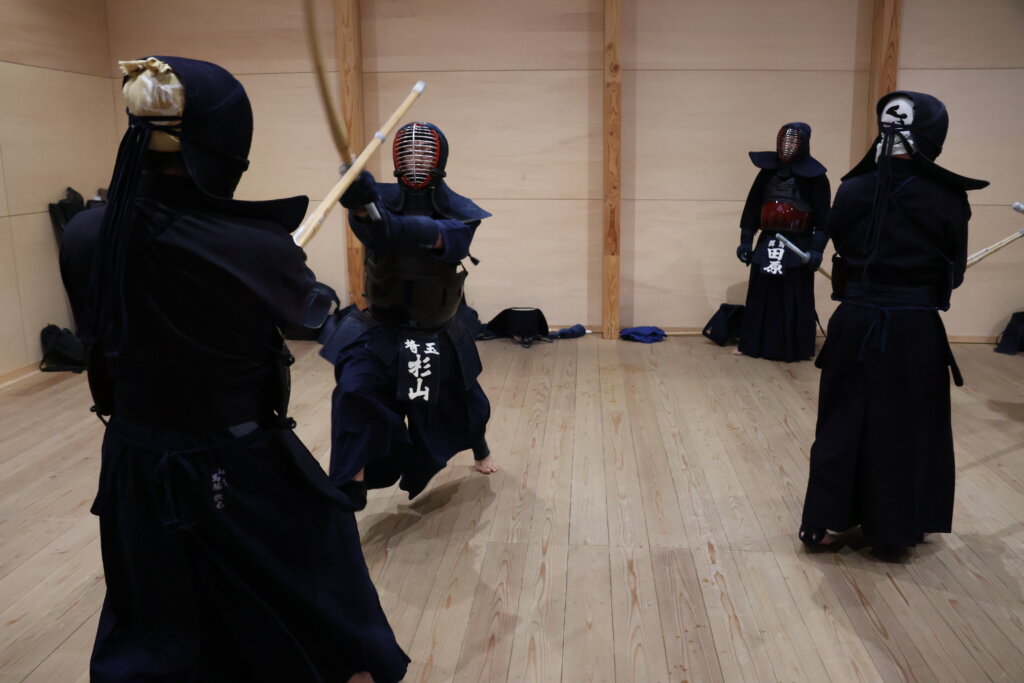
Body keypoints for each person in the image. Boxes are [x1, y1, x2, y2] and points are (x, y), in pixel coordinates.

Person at [60, 56, 408, 681]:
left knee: (158, 604)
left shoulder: (86, 234)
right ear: (225, 142)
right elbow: (317, 319)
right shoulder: (253, 248)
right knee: (321, 563)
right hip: (235, 459)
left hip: (133, 461)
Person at [799, 91, 987, 553]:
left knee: (842, 420)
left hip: (854, 320)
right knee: (907, 425)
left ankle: (824, 520)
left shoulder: (853, 188)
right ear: (934, 133)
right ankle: (895, 529)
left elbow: (841, 247)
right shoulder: (948, 197)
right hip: (914, 327)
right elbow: (954, 274)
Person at [319, 121, 495, 508]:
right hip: (380, 328)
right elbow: (372, 231)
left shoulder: (461, 216)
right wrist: (360, 206)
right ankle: (349, 485)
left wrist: (389, 222)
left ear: (440, 160)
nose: (416, 160)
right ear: (397, 159)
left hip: (436, 330)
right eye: (409, 153)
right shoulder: (377, 207)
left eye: (424, 153)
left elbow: (444, 238)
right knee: (354, 392)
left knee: (465, 403)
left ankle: (480, 449)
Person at [736, 122, 831, 361]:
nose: (788, 146)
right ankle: (754, 344)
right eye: (784, 140)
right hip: (768, 240)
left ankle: (793, 347)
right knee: (761, 295)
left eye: (793, 141)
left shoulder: (817, 178)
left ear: (804, 144)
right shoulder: (767, 173)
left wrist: (817, 250)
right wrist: (746, 241)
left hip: (798, 244)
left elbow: (824, 221)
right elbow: (751, 210)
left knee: (792, 295)